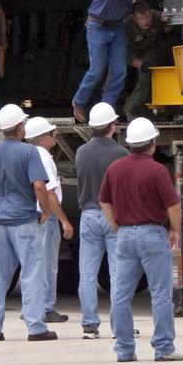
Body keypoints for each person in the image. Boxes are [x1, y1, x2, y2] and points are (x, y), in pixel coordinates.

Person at [98, 117, 183, 362]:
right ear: (153, 143)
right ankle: (164, 348)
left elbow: (104, 201)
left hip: (125, 236)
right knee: (160, 295)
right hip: (152, 235)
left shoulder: (115, 168)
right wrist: (175, 231)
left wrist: (116, 225)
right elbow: (173, 205)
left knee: (120, 295)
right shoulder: (157, 170)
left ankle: (125, 349)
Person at [0, 103, 58, 342]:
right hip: (24, 221)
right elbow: (40, 185)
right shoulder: (29, 152)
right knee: (31, 273)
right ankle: (35, 327)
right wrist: (46, 210)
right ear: (21, 127)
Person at [71, 0, 169, 122]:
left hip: (116, 27)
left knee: (119, 71)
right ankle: (79, 100)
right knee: (97, 69)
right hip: (98, 27)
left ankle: (106, 111)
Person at [74, 102, 127, 339]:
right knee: (118, 273)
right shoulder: (121, 154)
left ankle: (89, 325)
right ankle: (120, 327)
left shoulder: (81, 152)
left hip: (88, 214)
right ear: (111, 126)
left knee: (87, 273)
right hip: (113, 216)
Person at [23, 117, 74, 324]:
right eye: (52, 133)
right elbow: (49, 192)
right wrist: (64, 220)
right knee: (48, 264)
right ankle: (45, 307)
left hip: (32, 216)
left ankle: (30, 306)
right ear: (42, 138)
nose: (55, 135)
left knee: (34, 263)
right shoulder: (43, 157)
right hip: (46, 217)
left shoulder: (29, 155)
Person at [122, 0, 168, 121]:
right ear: (135, 19)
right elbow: (121, 53)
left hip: (147, 49)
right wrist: (138, 63)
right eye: (141, 19)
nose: (146, 22)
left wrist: (168, 21)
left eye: (147, 17)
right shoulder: (126, 25)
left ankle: (136, 108)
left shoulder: (157, 17)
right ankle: (121, 109)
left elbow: (171, 23)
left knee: (148, 74)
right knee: (115, 78)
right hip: (126, 51)